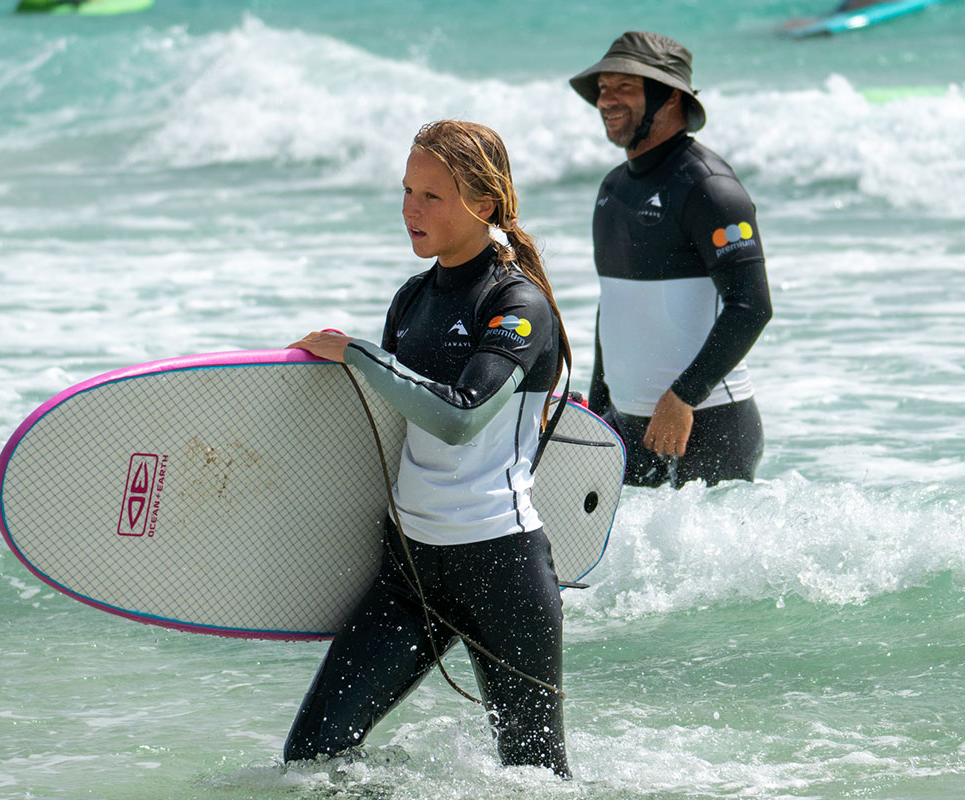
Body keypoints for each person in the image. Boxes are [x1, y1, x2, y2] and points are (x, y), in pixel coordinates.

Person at [284, 120, 573, 778]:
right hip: (412, 572)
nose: (411, 209)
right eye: (407, 191)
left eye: (432, 196)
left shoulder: (517, 304)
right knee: (313, 756)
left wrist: (358, 353)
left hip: (501, 570)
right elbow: (388, 429)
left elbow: (458, 418)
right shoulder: (412, 300)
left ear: (484, 204)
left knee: (535, 780)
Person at [569, 31, 773, 489]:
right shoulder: (613, 189)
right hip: (625, 428)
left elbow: (752, 305)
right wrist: (599, 410)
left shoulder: (708, 187)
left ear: (670, 97)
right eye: (603, 88)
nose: (607, 100)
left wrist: (684, 397)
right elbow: (616, 310)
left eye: (625, 86)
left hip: (707, 425)